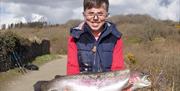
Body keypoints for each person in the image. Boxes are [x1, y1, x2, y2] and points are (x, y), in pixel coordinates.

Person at [67, 0, 125, 75]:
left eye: (100, 14)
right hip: (82, 85)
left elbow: (118, 70)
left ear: (107, 15)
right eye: (91, 13)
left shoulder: (116, 38)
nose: (95, 18)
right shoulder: (74, 38)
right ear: (84, 14)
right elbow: (72, 69)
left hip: (107, 85)